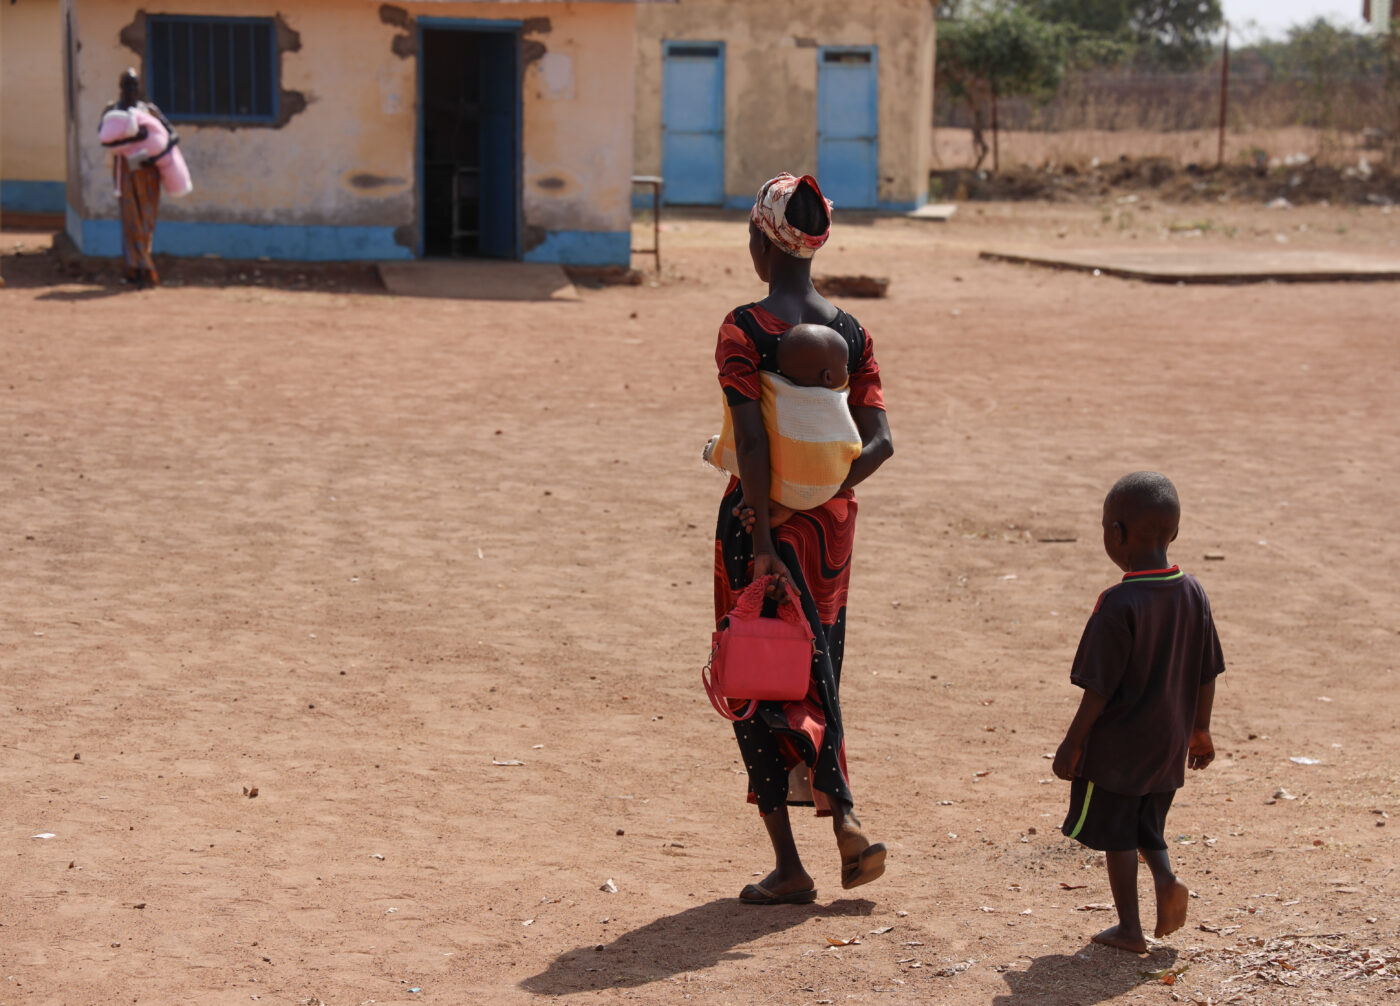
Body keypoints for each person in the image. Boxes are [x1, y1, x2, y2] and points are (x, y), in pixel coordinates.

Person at [713, 172, 894, 905]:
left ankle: (791, 865)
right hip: (828, 533)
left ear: (763, 239)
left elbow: (751, 441)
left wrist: (767, 525)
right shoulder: (851, 334)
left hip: (756, 525)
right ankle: (842, 809)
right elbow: (879, 441)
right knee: (817, 662)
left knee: (756, 675)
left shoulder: (745, 330)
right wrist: (820, 497)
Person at [1052, 471, 1225, 952]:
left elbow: (1098, 689)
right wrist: (1201, 728)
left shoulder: (1118, 602)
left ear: (1116, 534)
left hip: (1119, 745)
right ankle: (1166, 879)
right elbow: (1208, 670)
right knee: (1148, 822)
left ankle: (1129, 928)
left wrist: (1073, 742)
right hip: (1169, 739)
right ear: (1175, 533)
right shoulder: (1193, 592)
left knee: (1118, 834)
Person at [702, 322, 861, 512]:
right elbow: (857, 446)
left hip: (772, 490)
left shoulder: (772, 388)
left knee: (761, 449)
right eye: (844, 366)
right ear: (828, 377)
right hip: (827, 488)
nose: (847, 370)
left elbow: (751, 442)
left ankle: (717, 451)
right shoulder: (835, 402)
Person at [101, 68, 176, 289]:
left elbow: (172, 135)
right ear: (121, 88)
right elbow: (103, 137)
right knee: (131, 220)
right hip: (125, 172)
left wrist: (156, 154)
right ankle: (138, 269)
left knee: (147, 220)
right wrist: (131, 137)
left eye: (134, 85)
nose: (131, 90)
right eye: (127, 85)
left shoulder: (149, 111)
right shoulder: (113, 111)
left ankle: (142, 264)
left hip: (149, 173)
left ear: (139, 87)